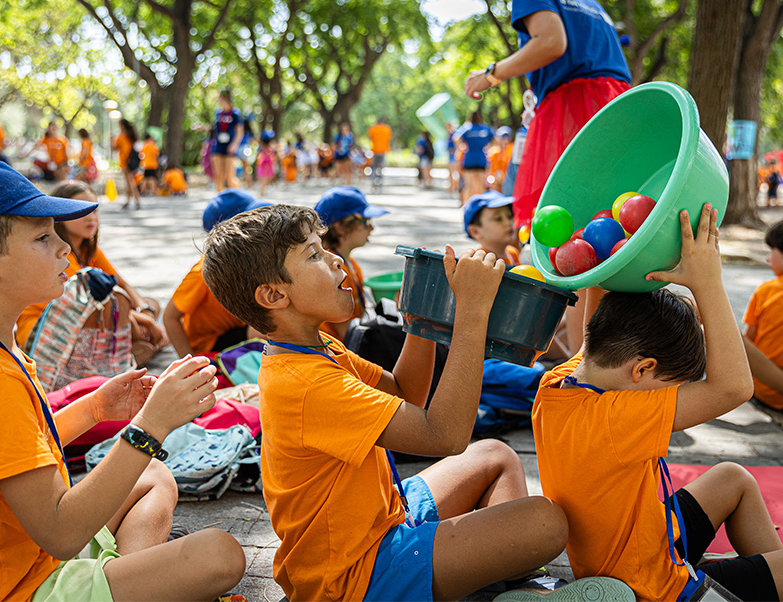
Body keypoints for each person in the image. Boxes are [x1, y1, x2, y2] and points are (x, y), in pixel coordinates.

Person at [201, 203, 634, 602]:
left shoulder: (316, 349)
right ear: (274, 296)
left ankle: (517, 582)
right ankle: (507, 574)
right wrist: (471, 313)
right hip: (354, 577)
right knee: (546, 522)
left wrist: (424, 318)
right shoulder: (304, 382)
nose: (335, 259)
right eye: (313, 255)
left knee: (496, 455)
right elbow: (445, 435)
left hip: (385, 516)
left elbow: (404, 393)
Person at [0, 161, 245, 602]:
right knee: (219, 554)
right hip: (8, 586)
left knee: (153, 477)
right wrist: (152, 425)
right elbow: (61, 533)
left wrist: (95, 409)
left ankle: (126, 585)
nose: (65, 249)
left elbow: (17, 445)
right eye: (42, 238)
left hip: (14, 550)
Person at [532, 205, 783, 602]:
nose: (672, 396)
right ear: (643, 369)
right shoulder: (617, 418)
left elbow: (594, 330)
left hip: (644, 539)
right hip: (655, 587)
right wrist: (707, 283)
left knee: (732, 479)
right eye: (671, 386)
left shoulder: (557, 384)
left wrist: (604, 260)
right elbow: (734, 387)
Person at [464, 0, 631, 228]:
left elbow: (551, 42)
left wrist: (490, 75)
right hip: (619, 106)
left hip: (573, 108)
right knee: (619, 214)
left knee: (570, 224)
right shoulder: (592, 4)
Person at [16, 181, 166, 375]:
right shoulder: (61, 254)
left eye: (94, 210)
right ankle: (132, 348)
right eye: (81, 211)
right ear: (60, 216)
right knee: (124, 317)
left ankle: (132, 346)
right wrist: (146, 322)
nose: (91, 218)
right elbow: (86, 306)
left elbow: (122, 284)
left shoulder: (89, 250)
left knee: (148, 303)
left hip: (93, 316)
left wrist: (146, 311)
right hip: (52, 325)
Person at [163, 189, 268, 358]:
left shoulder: (251, 258)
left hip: (238, 328)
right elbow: (170, 317)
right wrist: (190, 364)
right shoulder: (204, 271)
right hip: (209, 343)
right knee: (266, 331)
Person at [314, 186, 388, 341]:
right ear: (341, 227)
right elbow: (349, 336)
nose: (372, 228)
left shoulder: (351, 263)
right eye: (365, 222)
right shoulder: (333, 270)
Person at [743, 219, 783, 410]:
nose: (768, 258)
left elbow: (746, 341)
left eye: (771, 251)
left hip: (761, 391)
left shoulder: (766, 291)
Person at [463, 191, 520, 266]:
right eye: (498, 219)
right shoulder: (479, 261)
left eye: (510, 216)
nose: (508, 223)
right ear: (475, 232)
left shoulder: (512, 253)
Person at [454, 110, 496, 204]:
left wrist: (461, 147)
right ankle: (481, 208)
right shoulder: (485, 128)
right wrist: (489, 148)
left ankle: (467, 206)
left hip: (469, 159)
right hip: (481, 159)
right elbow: (495, 139)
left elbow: (456, 138)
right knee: (481, 186)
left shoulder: (467, 128)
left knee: (469, 186)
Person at [211, 89, 244, 192]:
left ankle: (242, 198)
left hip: (230, 147)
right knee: (219, 176)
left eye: (219, 96)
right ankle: (220, 202)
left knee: (230, 178)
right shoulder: (218, 113)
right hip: (218, 146)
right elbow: (215, 129)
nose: (217, 99)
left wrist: (234, 145)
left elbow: (240, 132)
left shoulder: (235, 113)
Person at [113, 119, 141, 209]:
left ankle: (137, 200)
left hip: (125, 162)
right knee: (129, 182)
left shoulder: (122, 137)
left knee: (130, 182)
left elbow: (116, 148)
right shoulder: (131, 136)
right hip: (131, 162)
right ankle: (128, 201)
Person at [368, 117, 392, 191]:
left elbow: (370, 137)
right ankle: (380, 182)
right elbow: (389, 138)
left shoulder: (372, 128)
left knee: (374, 167)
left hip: (375, 150)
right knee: (380, 167)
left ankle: (374, 181)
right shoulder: (386, 129)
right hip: (383, 151)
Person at [488, 126, 514, 192]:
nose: (504, 139)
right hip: (495, 181)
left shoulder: (512, 151)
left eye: (506, 137)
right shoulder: (494, 152)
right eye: (502, 137)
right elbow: (489, 168)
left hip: (508, 180)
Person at [333, 122, 355, 186]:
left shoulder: (349, 137)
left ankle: (347, 184)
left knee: (348, 170)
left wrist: (351, 156)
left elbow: (351, 147)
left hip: (346, 155)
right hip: (338, 155)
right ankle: (335, 183)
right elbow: (334, 145)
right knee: (337, 170)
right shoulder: (338, 137)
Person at [256, 132, 277, 197]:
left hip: (265, 164)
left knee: (266, 178)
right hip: (267, 164)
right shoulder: (268, 148)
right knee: (265, 178)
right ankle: (261, 190)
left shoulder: (263, 148)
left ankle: (262, 190)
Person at [445, 122, 460, 196]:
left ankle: (454, 187)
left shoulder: (454, 135)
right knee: (451, 173)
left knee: (454, 173)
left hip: (454, 156)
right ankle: (451, 188)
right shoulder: (449, 136)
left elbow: (458, 145)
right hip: (450, 155)